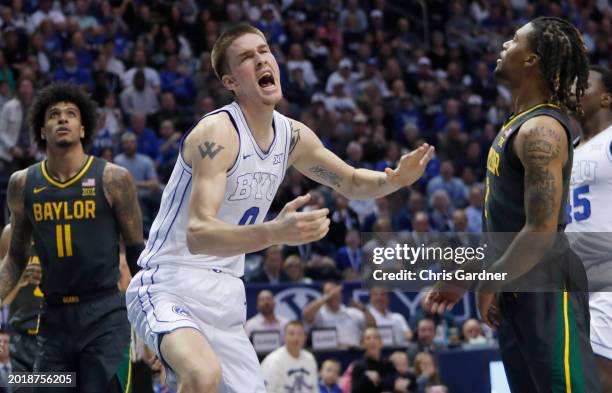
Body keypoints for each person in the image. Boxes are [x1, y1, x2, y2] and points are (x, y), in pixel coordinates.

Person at [125, 24, 433, 393]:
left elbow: (350, 181)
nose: (260, 60)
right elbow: (198, 235)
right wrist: (277, 231)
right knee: (202, 376)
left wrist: (396, 179)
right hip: (169, 281)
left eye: (263, 51)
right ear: (230, 83)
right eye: (245, 58)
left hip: (225, 293)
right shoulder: (217, 133)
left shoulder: (292, 136)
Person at [426, 18, 602, 392]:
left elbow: (541, 230)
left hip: (547, 286)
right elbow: (506, 227)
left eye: (513, 40)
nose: (504, 45)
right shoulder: (517, 126)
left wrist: (489, 280)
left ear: (532, 60)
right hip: (517, 286)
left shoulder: (543, 130)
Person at [0, 82, 145, 392]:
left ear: (83, 129)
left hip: (103, 316)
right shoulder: (22, 183)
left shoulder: (114, 179)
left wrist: (154, 323)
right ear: (42, 130)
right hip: (52, 321)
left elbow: (136, 252)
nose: (62, 119)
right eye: (53, 114)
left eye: (70, 114)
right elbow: (14, 258)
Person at [566, 65, 612, 392]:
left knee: (599, 374)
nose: (574, 88)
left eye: (584, 84)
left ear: (606, 97)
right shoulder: (565, 151)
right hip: (575, 280)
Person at [0, 224, 42, 382]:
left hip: (53, 338)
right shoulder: (10, 233)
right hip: (19, 340)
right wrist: (18, 281)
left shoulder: (58, 230)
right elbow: (2, 300)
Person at [303, 280, 376, 348]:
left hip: (353, 353)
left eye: (336, 292)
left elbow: (372, 325)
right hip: (328, 355)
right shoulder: (319, 314)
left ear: (340, 294)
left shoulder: (352, 313)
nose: (333, 295)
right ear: (323, 295)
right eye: (329, 292)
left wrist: (363, 309)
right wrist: (328, 297)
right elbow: (306, 315)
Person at [260, 321, 318, 393]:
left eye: (299, 334)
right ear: (284, 337)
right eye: (291, 333)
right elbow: (265, 390)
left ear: (304, 337)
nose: (296, 338)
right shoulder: (273, 360)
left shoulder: (310, 358)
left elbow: (315, 389)